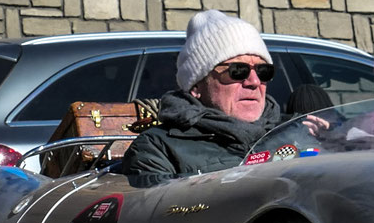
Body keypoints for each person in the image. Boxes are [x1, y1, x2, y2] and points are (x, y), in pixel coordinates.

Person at [119, 10, 283, 185]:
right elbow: (159, 209)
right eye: (237, 71)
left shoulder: (295, 131)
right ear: (196, 86)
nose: (254, 81)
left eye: (263, 71)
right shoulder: (158, 147)